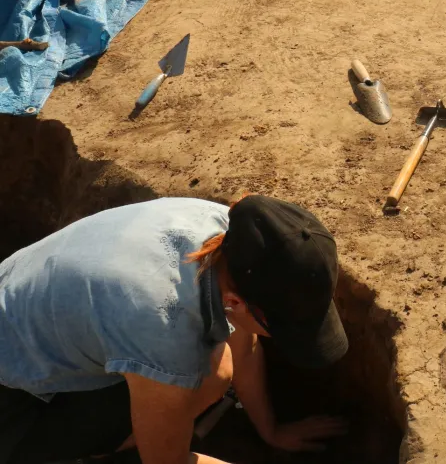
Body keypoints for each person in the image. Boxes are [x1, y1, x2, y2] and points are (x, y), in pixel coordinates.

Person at [0, 194, 349, 464]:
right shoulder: (161, 324)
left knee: (214, 368)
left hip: (32, 325)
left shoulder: (227, 235)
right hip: (15, 406)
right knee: (210, 371)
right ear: (237, 304)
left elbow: (244, 343)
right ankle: (100, 449)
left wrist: (271, 432)